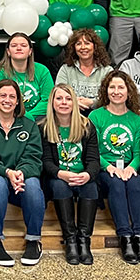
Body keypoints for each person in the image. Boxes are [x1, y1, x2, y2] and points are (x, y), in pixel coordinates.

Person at [0, 80, 48, 267]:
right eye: (3, 95)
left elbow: (33, 158)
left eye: (12, 96)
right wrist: (7, 172)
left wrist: (20, 173)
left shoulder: (29, 126)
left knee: (33, 185)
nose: (7, 100)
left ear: (18, 102)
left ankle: (33, 241)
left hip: (18, 179)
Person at [89, 71, 140, 264]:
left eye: (120, 87)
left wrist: (132, 167)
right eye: (112, 87)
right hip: (104, 168)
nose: (116, 91)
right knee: (116, 185)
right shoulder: (96, 116)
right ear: (106, 91)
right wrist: (109, 167)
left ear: (129, 91)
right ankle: (125, 238)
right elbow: (93, 151)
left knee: (134, 184)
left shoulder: (136, 120)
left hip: (129, 166)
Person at [41, 84, 100, 265]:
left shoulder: (86, 126)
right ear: (52, 102)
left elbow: (94, 160)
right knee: (59, 186)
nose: (64, 103)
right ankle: (71, 240)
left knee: (91, 187)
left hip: (82, 176)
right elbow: (45, 162)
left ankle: (84, 240)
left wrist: (87, 175)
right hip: (58, 178)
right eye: (59, 99)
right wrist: (61, 174)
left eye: (68, 99)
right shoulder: (43, 128)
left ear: (74, 102)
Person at [0, 32, 55, 120]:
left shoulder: (42, 70)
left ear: (30, 51)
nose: (19, 48)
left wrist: (28, 117)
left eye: (23, 45)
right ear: (8, 51)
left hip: (36, 117)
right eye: (14, 45)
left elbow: (48, 100)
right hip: (8, 116)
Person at [54, 28, 114, 113]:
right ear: (74, 48)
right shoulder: (65, 69)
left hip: (100, 114)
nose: (83, 47)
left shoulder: (107, 70)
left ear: (95, 46)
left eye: (87, 43)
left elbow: (111, 97)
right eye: (78, 44)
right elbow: (59, 94)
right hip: (71, 113)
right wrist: (74, 102)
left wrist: (92, 103)